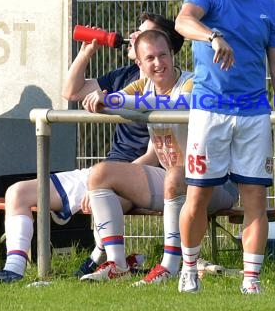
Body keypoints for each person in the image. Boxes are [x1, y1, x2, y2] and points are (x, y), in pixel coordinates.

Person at [0, 12, 183, 283]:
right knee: (17, 193)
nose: (134, 37)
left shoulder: (172, 89)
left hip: (134, 178)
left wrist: (105, 182)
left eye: (146, 35)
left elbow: (159, 155)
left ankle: (102, 261)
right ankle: (12, 270)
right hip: (103, 171)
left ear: (168, 49)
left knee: (102, 195)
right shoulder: (124, 77)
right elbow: (71, 92)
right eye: (137, 33)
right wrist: (86, 52)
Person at [174, 0, 275, 294]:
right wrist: (212, 37)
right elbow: (182, 22)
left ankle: (251, 280)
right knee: (198, 196)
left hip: (254, 114)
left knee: (256, 197)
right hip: (210, 113)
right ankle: (189, 268)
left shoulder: (268, 6)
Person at [79, 29, 239, 283]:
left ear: (173, 54)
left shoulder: (191, 82)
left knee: (176, 173)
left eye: (163, 55)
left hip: (218, 185)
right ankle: (117, 264)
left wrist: (110, 100)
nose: (158, 63)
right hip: (172, 182)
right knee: (100, 173)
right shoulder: (143, 85)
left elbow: (178, 104)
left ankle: (170, 266)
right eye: (150, 58)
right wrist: (104, 99)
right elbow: (117, 99)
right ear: (139, 64)